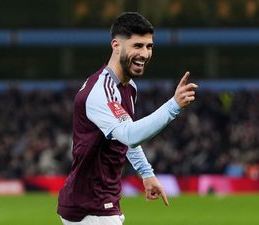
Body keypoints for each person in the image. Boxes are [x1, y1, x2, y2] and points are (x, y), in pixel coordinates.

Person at [57, 12, 198, 225]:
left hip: (100, 201)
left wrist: (146, 173)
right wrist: (173, 106)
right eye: (137, 45)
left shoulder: (128, 87)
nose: (145, 53)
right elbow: (130, 135)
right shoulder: (100, 92)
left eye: (149, 46)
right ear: (116, 45)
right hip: (91, 206)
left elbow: (125, 137)